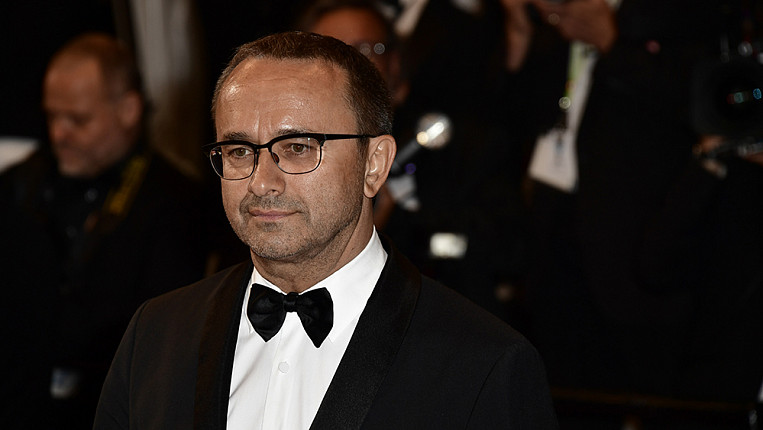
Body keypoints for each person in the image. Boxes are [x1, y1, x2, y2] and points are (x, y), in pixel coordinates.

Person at [93, 31, 557, 429]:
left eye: (297, 147)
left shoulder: (484, 364)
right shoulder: (156, 335)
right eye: (239, 151)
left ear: (374, 165)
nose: (261, 182)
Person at [0, 33, 208, 429]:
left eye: (77, 120)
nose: (59, 134)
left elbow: (159, 341)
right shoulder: (23, 183)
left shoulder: (175, 203)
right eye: (51, 117)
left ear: (129, 110)